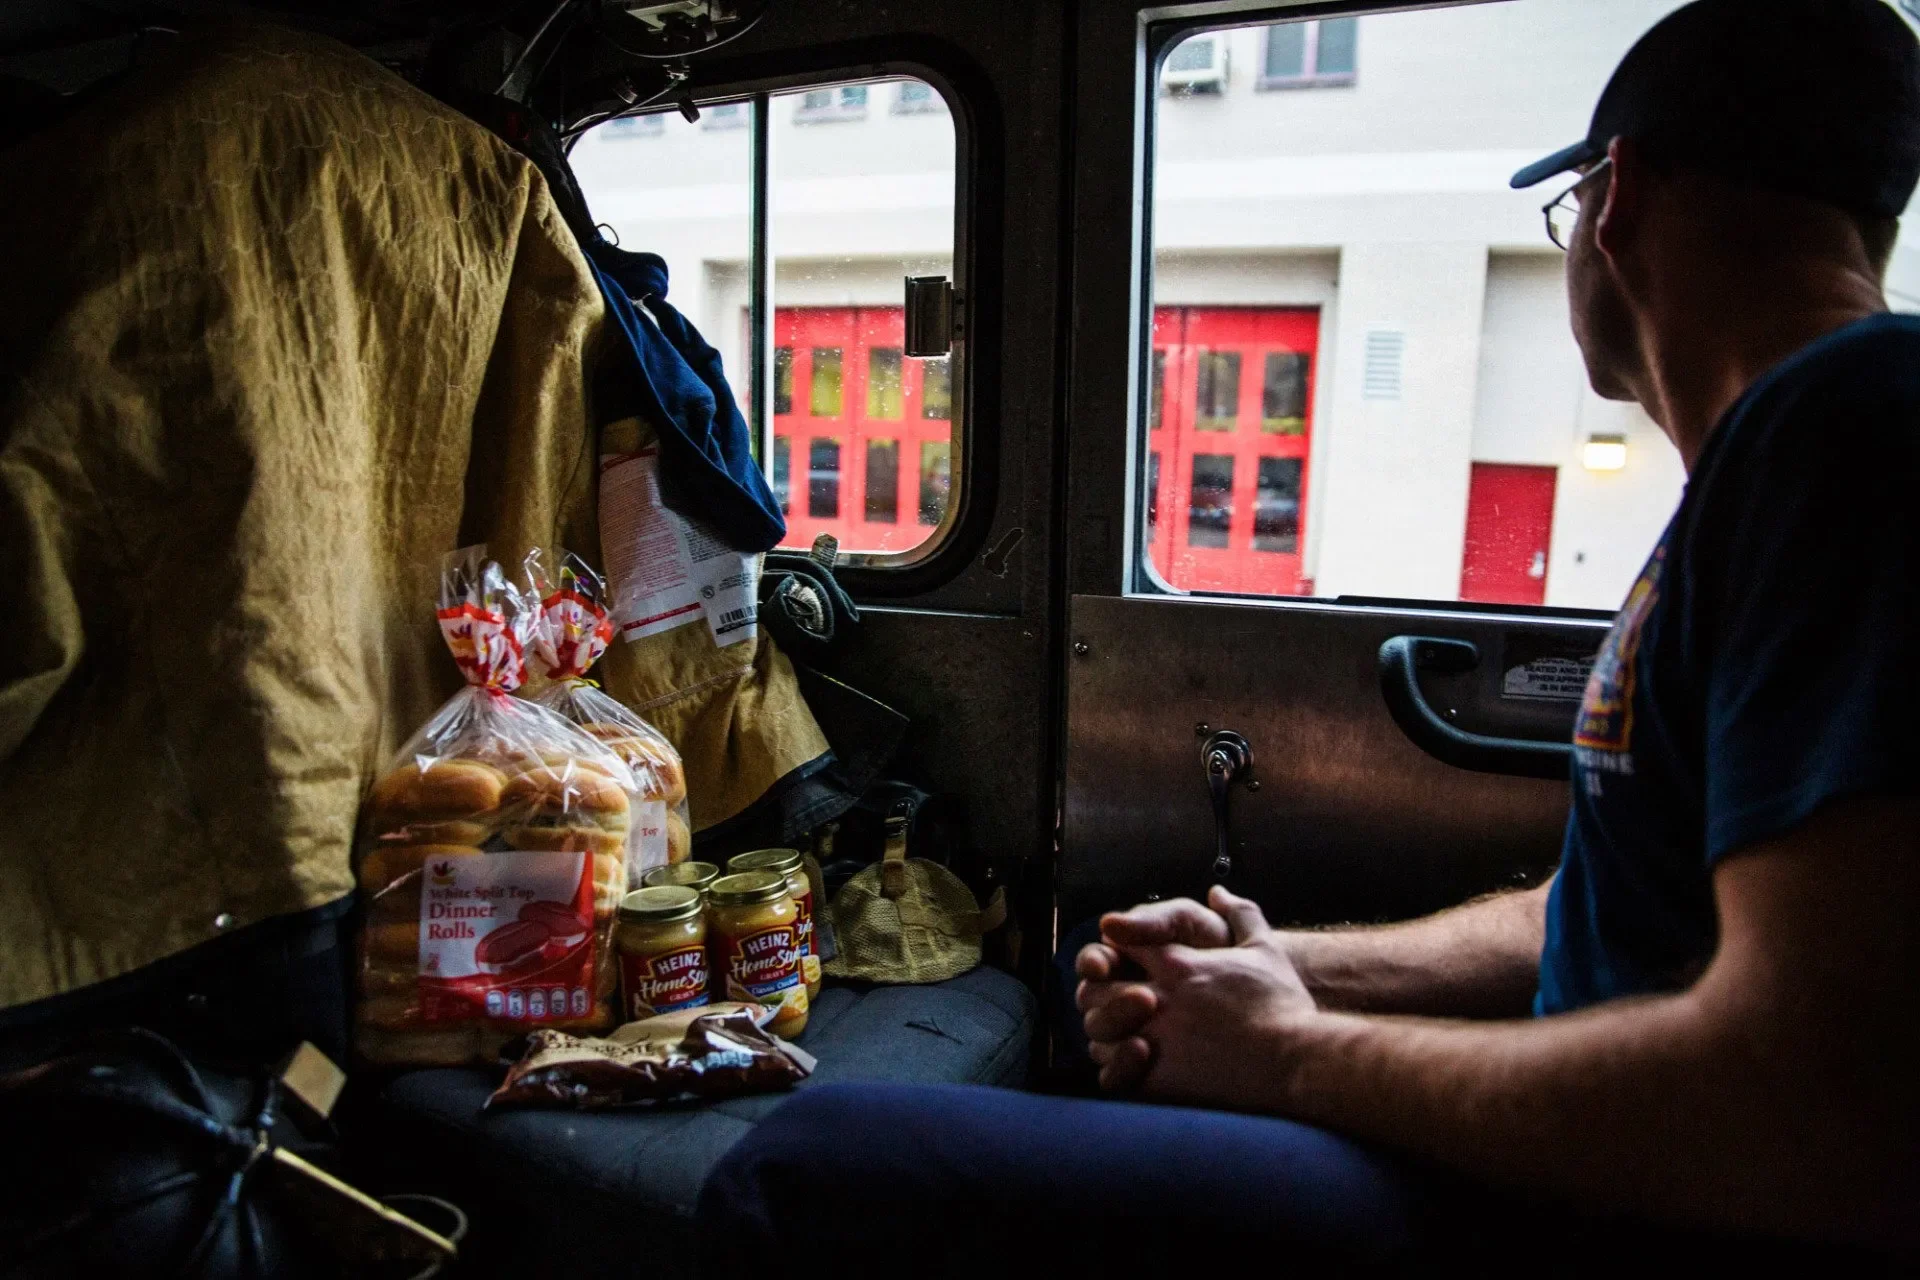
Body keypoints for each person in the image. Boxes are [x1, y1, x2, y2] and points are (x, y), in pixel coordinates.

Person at [696, 0, 1920, 1269]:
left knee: (798, 1169)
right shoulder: (1782, 457)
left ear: (1616, 203)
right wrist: (1283, 961)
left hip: (1600, 1200)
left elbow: (1822, 1110)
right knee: (1089, 979)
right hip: (1600, 1161)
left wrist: (1289, 1048)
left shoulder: (1849, 427)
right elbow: (1594, 915)